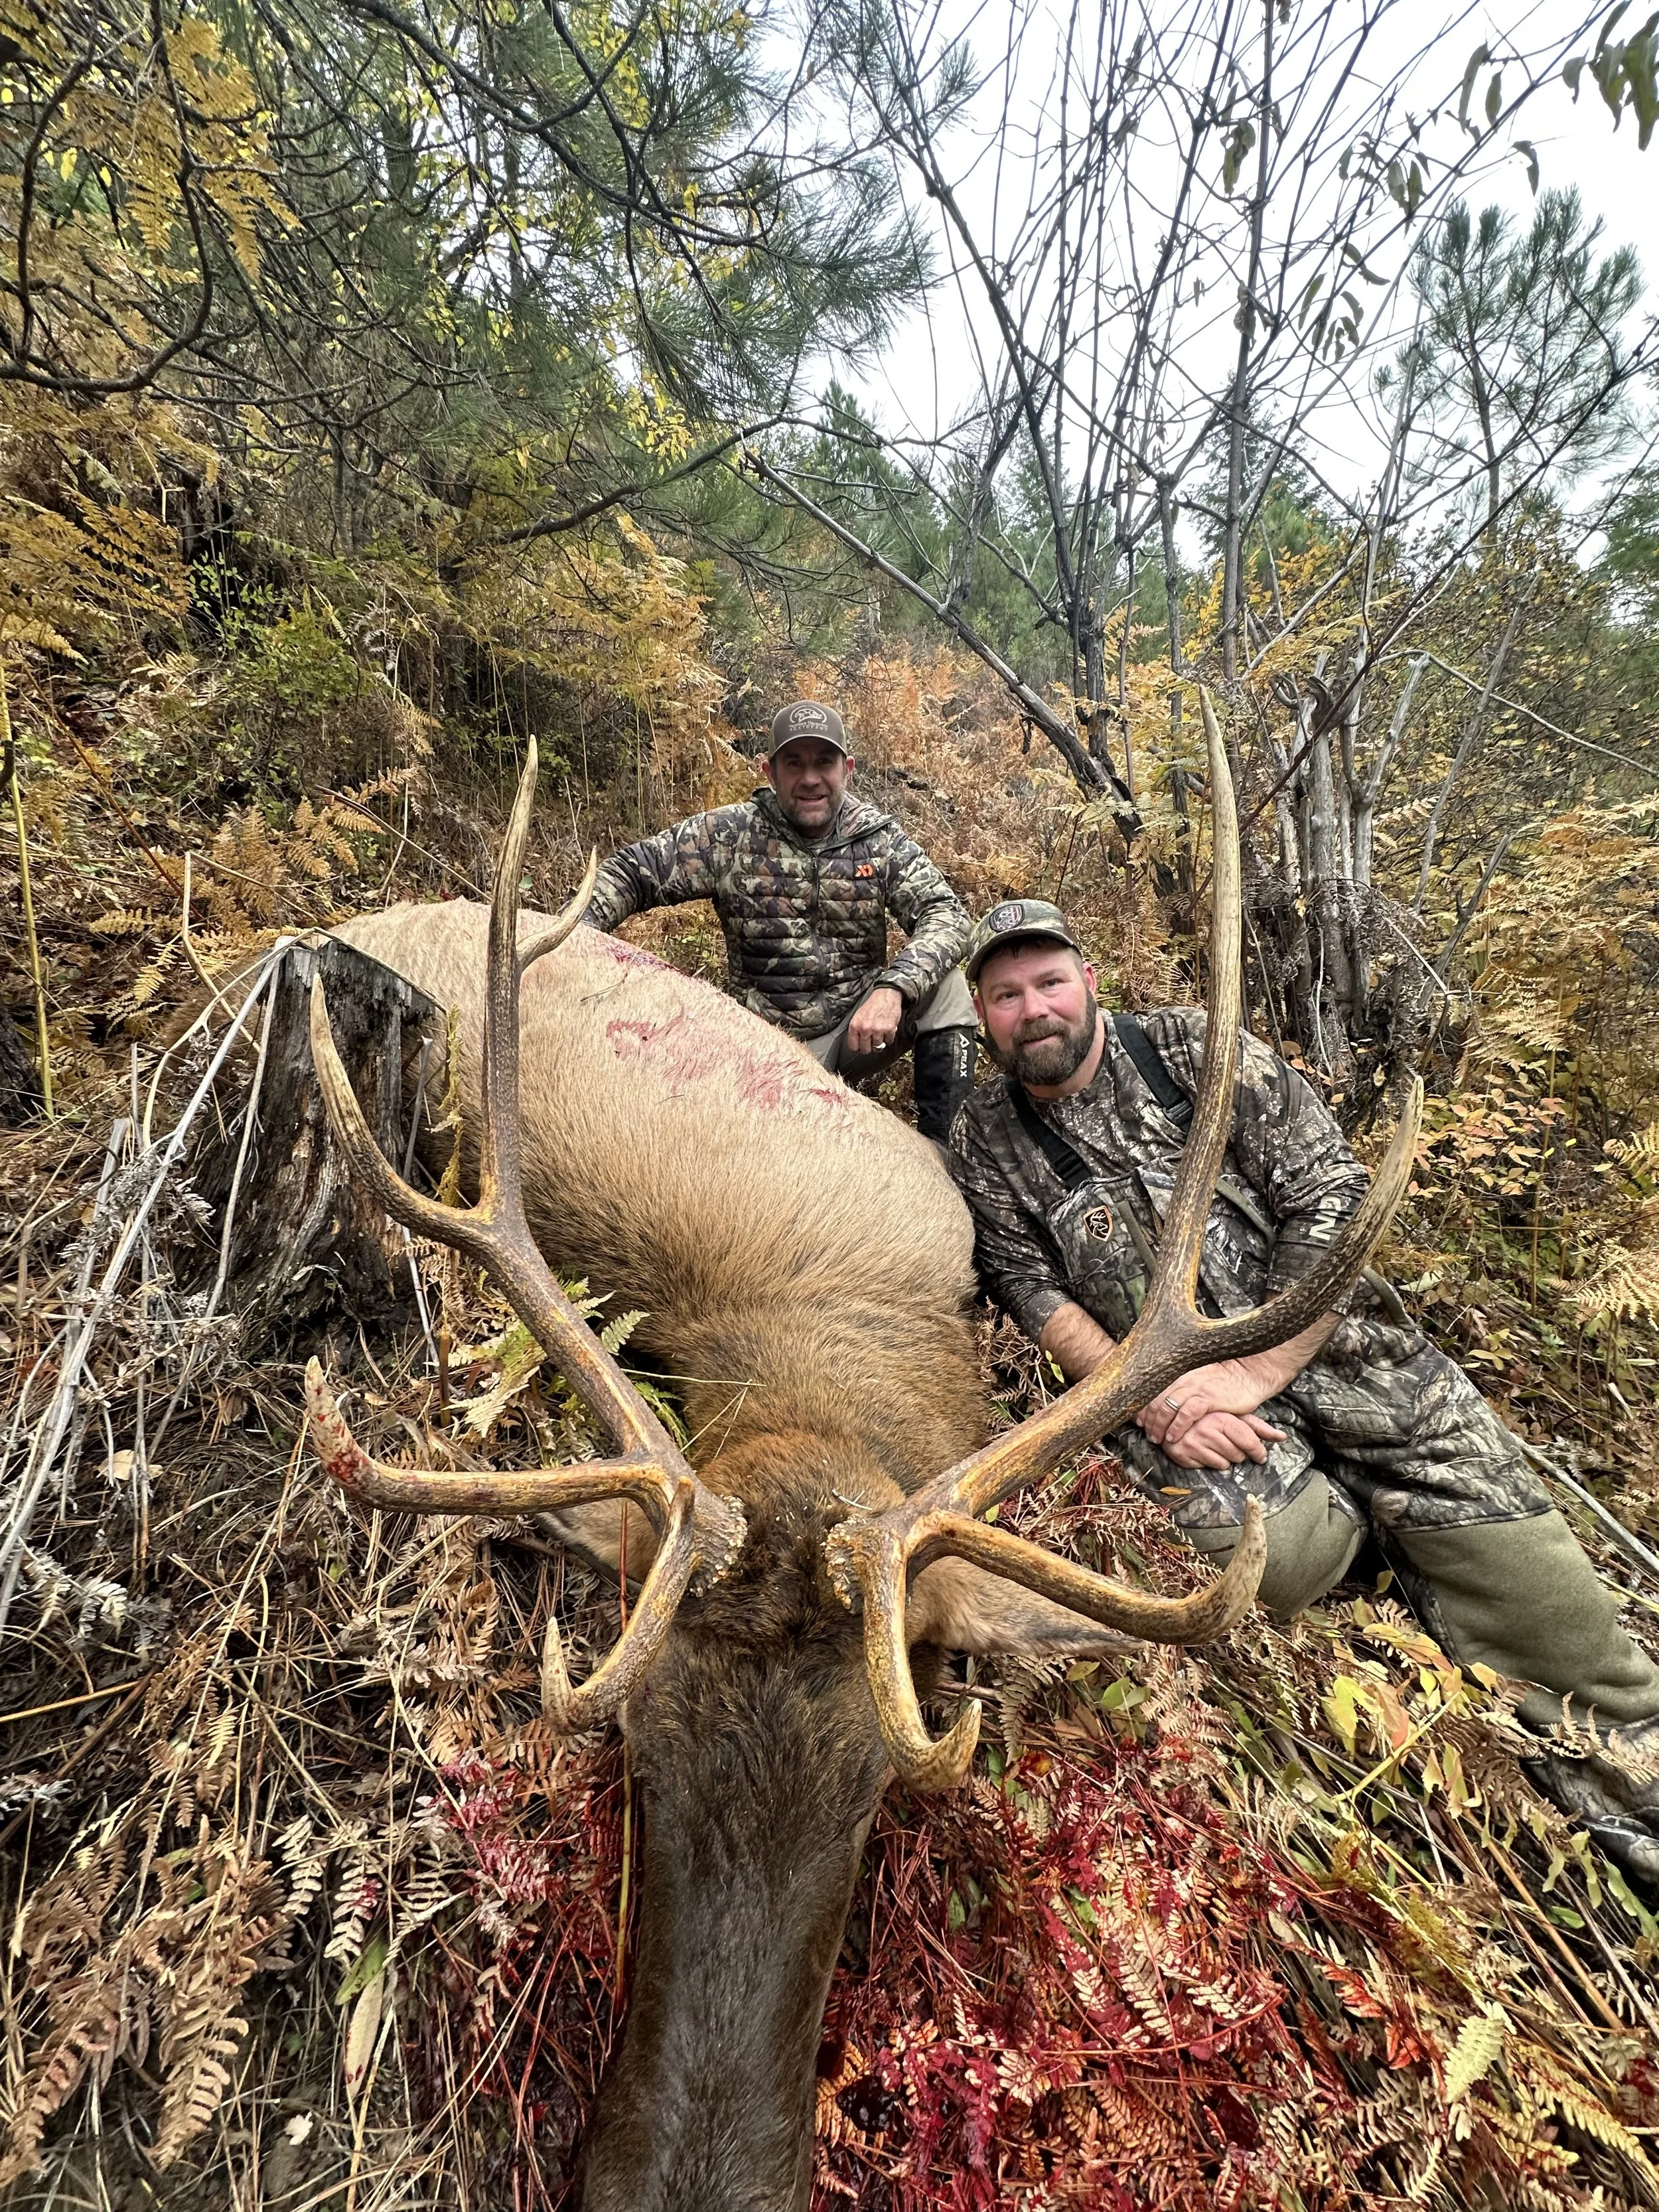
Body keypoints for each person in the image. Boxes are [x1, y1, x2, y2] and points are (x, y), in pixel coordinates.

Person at [948, 895, 1659, 1874]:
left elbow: (1332, 1196)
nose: (1034, 1010)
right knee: (1265, 1567)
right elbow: (1028, 1289)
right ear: (982, 1015)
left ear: (1089, 982)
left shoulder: (1193, 1051)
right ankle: (1371, 1555)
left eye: (1050, 983)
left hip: (1344, 1358)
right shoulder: (985, 1135)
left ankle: (1626, 1796)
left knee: (1561, 1621)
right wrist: (1153, 1401)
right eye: (1006, 995)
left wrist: (1256, 1370)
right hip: (1182, 1398)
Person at [584, 699, 978, 1142]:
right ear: (769, 772)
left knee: (947, 990)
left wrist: (895, 988)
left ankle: (947, 1152)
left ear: (847, 769)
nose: (810, 778)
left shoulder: (878, 840)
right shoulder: (730, 834)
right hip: (762, 1042)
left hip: (856, 1030)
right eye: (794, 763)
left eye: (824, 762)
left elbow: (947, 914)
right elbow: (632, 871)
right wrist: (574, 937)